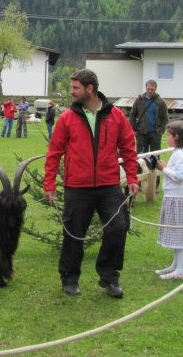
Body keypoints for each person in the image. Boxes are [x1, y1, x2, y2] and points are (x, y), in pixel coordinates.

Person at [43, 69, 139, 299]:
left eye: (75, 88)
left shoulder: (116, 116)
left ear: (90, 89)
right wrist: (49, 184)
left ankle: (109, 277)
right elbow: (54, 152)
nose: (71, 92)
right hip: (77, 187)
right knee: (73, 234)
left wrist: (133, 178)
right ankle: (70, 278)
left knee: (118, 228)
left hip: (109, 186)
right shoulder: (67, 118)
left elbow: (128, 148)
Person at [154, 120, 183, 280]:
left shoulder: (181, 155)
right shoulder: (177, 153)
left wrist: (163, 168)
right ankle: (176, 264)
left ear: (177, 137)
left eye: (169, 135)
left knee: (179, 234)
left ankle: (181, 269)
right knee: (174, 232)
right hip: (172, 197)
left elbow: (179, 177)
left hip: (178, 198)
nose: (168, 138)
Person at [129, 80, 169, 154]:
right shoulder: (139, 100)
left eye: (152, 89)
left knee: (155, 157)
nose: (150, 91)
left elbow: (165, 118)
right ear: (146, 88)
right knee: (141, 156)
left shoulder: (161, 102)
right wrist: (133, 129)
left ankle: (154, 166)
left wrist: (161, 131)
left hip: (155, 133)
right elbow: (132, 115)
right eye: (148, 89)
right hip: (141, 133)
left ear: (155, 89)